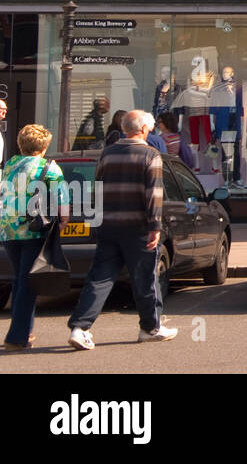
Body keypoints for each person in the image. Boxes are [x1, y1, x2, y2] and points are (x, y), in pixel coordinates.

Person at [67, 110, 177, 349]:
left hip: (109, 226)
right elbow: (154, 195)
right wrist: (155, 226)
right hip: (137, 227)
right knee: (146, 279)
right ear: (144, 130)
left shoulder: (107, 153)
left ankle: (80, 327)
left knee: (99, 278)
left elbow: (97, 189)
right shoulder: (150, 154)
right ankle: (150, 327)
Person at [0, 124, 70, 350]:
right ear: (44, 145)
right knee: (27, 283)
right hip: (34, 229)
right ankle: (16, 337)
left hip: (7, 229)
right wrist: (63, 223)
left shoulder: (9, 164)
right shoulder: (49, 167)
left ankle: (26, 332)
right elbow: (62, 202)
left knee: (22, 280)